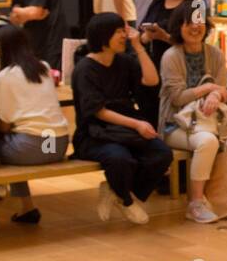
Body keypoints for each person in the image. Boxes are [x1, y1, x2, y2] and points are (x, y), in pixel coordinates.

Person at [71, 12, 172, 225]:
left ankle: (116, 190)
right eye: (118, 32)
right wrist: (137, 124)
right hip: (94, 133)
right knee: (120, 158)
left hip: (124, 129)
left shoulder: (123, 61)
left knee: (162, 154)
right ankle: (126, 200)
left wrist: (138, 47)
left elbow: (152, 81)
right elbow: (98, 111)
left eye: (123, 31)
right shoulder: (85, 69)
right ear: (102, 35)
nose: (123, 36)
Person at [159, 0, 227, 224]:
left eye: (200, 21)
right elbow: (177, 97)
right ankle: (195, 204)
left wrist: (216, 95)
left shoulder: (215, 54)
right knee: (207, 142)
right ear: (178, 27)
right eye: (188, 22)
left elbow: (224, 92)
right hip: (176, 124)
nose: (195, 27)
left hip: (211, 122)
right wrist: (209, 89)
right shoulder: (171, 56)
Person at [0, 24, 71, 225]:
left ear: (2, 47)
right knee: (15, 141)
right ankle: (27, 207)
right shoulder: (42, 67)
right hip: (56, 145)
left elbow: (4, 125)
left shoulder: (3, 77)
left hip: (32, 149)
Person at [137, 0, 199, 125]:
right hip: (154, 65)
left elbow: (196, 44)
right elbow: (141, 33)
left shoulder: (195, 5)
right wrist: (147, 36)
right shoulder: (158, 1)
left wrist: (165, 37)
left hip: (181, 69)